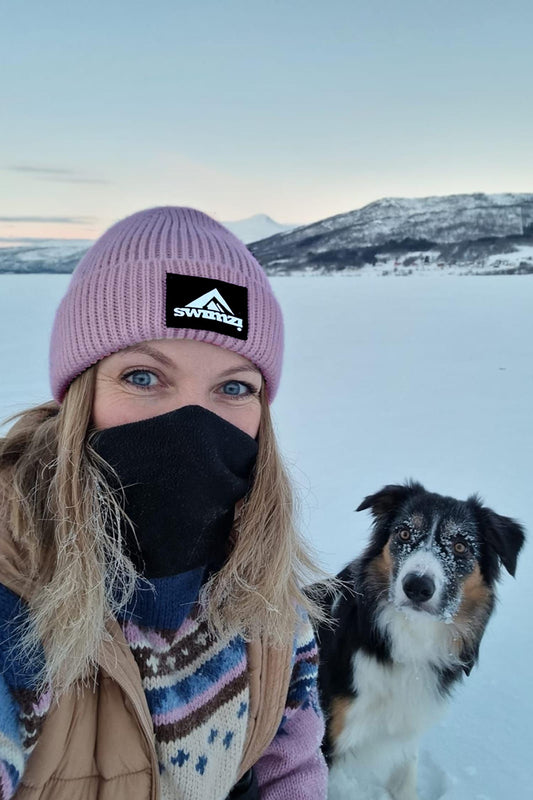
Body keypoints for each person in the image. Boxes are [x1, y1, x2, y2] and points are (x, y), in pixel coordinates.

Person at [0, 207, 328, 800]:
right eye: (144, 377)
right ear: (82, 393)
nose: (191, 428)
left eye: (233, 388)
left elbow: (292, 763)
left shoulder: (264, 585)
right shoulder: (16, 590)